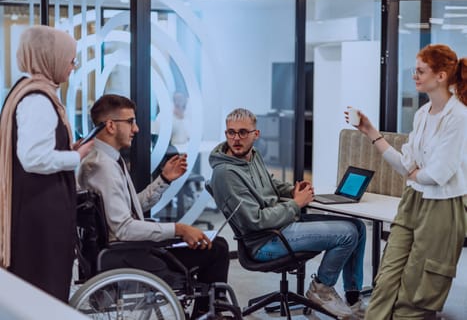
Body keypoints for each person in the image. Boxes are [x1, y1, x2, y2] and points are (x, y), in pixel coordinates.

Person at [78, 94, 230, 318]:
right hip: (128, 254)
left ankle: (206, 312)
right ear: (110, 125)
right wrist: (178, 229)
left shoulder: (104, 159)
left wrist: (164, 180)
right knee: (216, 248)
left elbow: (130, 207)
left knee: (214, 244)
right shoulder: (104, 167)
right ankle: (208, 312)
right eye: (130, 121)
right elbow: (124, 228)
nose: (136, 128)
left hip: (125, 249)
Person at [208, 108, 367, 319]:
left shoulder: (251, 156)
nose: (236, 139)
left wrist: (292, 190)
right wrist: (295, 204)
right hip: (265, 241)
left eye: (243, 132)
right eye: (231, 132)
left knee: (358, 226)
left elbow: (270, 184)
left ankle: (353, 297)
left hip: (283, 224)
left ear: (256, 134)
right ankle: (322, 288)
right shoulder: (225, 174)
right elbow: (255, 221)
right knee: (347, 233)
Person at [347, 44, 467, 320]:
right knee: (387, 276)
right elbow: (406, 165)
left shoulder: (459, 117)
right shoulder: (423, 114)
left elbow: (438, 174)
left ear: (441, 75)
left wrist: (415, 173)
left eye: (421, 71)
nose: (414, 75)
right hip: (414, 199)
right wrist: (370, 132)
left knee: (419, 286)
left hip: (444, 206)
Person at [0, 25, 94, 302]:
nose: (73, 66)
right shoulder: (38, 100)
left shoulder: (27, 91)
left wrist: (66, 149)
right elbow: (33, 158)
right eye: (70, 59)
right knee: (43, 282)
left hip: (33, 206)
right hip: (40, 211)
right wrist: (76, 156)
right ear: (49, 58)